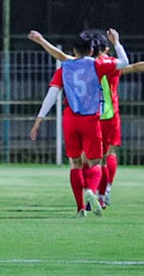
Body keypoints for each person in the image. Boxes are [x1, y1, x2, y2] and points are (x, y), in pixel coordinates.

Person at [28, 29, 144, 207]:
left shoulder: (73, 65)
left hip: (79, 115)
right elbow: (134, 66)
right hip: (107, 115)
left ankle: (84, 200)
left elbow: (60, 56)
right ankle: (103, 193)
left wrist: (42, 41)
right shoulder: (106, 65)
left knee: (81, 160)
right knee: (106, 156)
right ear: (102, 49)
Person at [30, 29, 129, 217]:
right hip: (90, 120)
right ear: (92, 51)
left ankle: (80, 208)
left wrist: (38, 120)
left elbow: (51, 95)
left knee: (75, 163)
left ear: (74, 49)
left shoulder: (65, 67)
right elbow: (124, 62)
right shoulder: (98, 65)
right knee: (95, 162)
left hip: (70, 120)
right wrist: (116, 42)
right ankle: (92, 189)